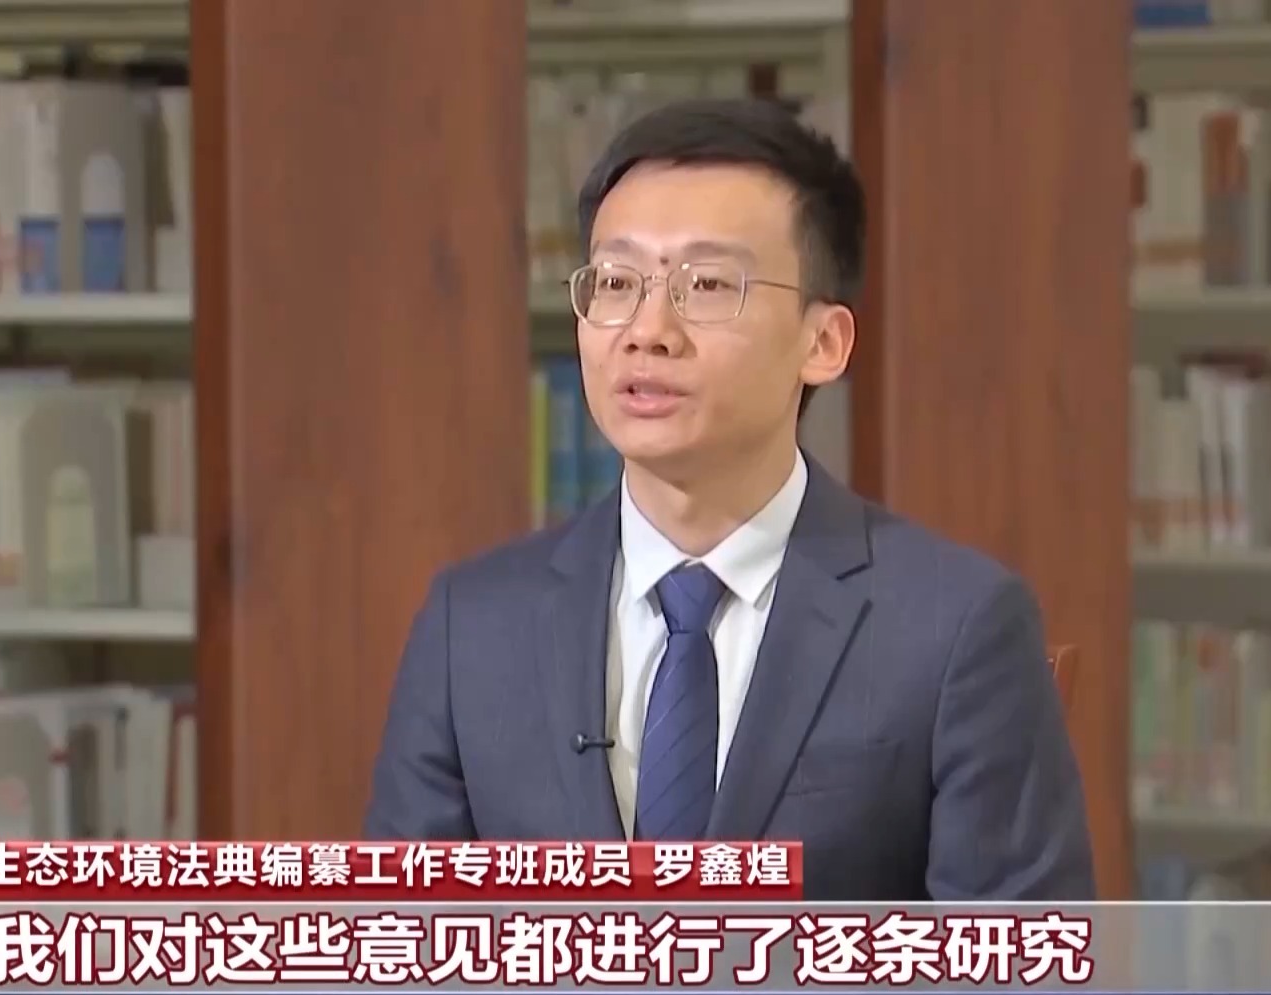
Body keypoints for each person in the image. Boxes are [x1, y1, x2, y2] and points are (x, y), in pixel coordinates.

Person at [365, 98, 1095, 900]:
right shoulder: (470, 626)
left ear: (824, 342)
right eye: (616, 282)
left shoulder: (954, 627)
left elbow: (1016, 952)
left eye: (707, 284)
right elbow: (403, 937)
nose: (648, 330)